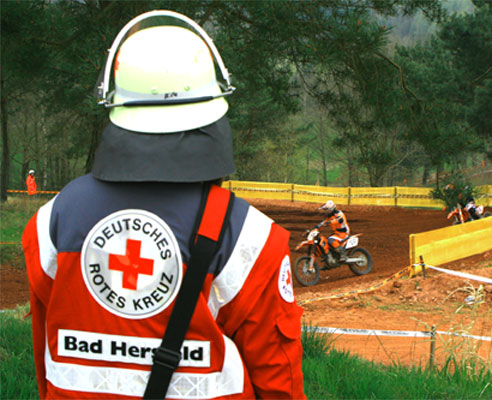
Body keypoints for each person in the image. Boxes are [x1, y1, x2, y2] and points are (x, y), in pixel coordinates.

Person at [22, 10, 305, 400]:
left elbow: (47, 350)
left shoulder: (53, 219)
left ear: (112, 101)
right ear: (215, 104)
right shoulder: (250, 238)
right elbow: (278, 379)